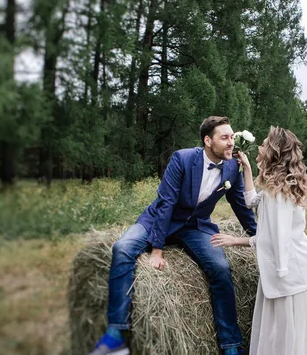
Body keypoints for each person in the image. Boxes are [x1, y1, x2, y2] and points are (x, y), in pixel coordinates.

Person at [91, 116, 257, 355]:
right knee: (123, 248)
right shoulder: (183, 158)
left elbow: (241, 205)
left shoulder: (232, 166)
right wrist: (157, 250)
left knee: (220, 268)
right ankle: (116, 334)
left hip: (194, 227)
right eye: (225, 137)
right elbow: (166, 203)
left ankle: (231, 345)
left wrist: (261, 237)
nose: (231, 142)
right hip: (158, 220)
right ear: (208, 141)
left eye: (232, 136)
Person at [211, 126, 307, 355]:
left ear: (273, 152)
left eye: (263, 144)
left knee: (285, 335)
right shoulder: (276, 186)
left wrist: (236, 241)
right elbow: (251, 201)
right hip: (298, 269)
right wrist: (247, 170)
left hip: (290, 275)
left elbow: (274, 241)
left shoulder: (277, 194)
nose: (259, 147)